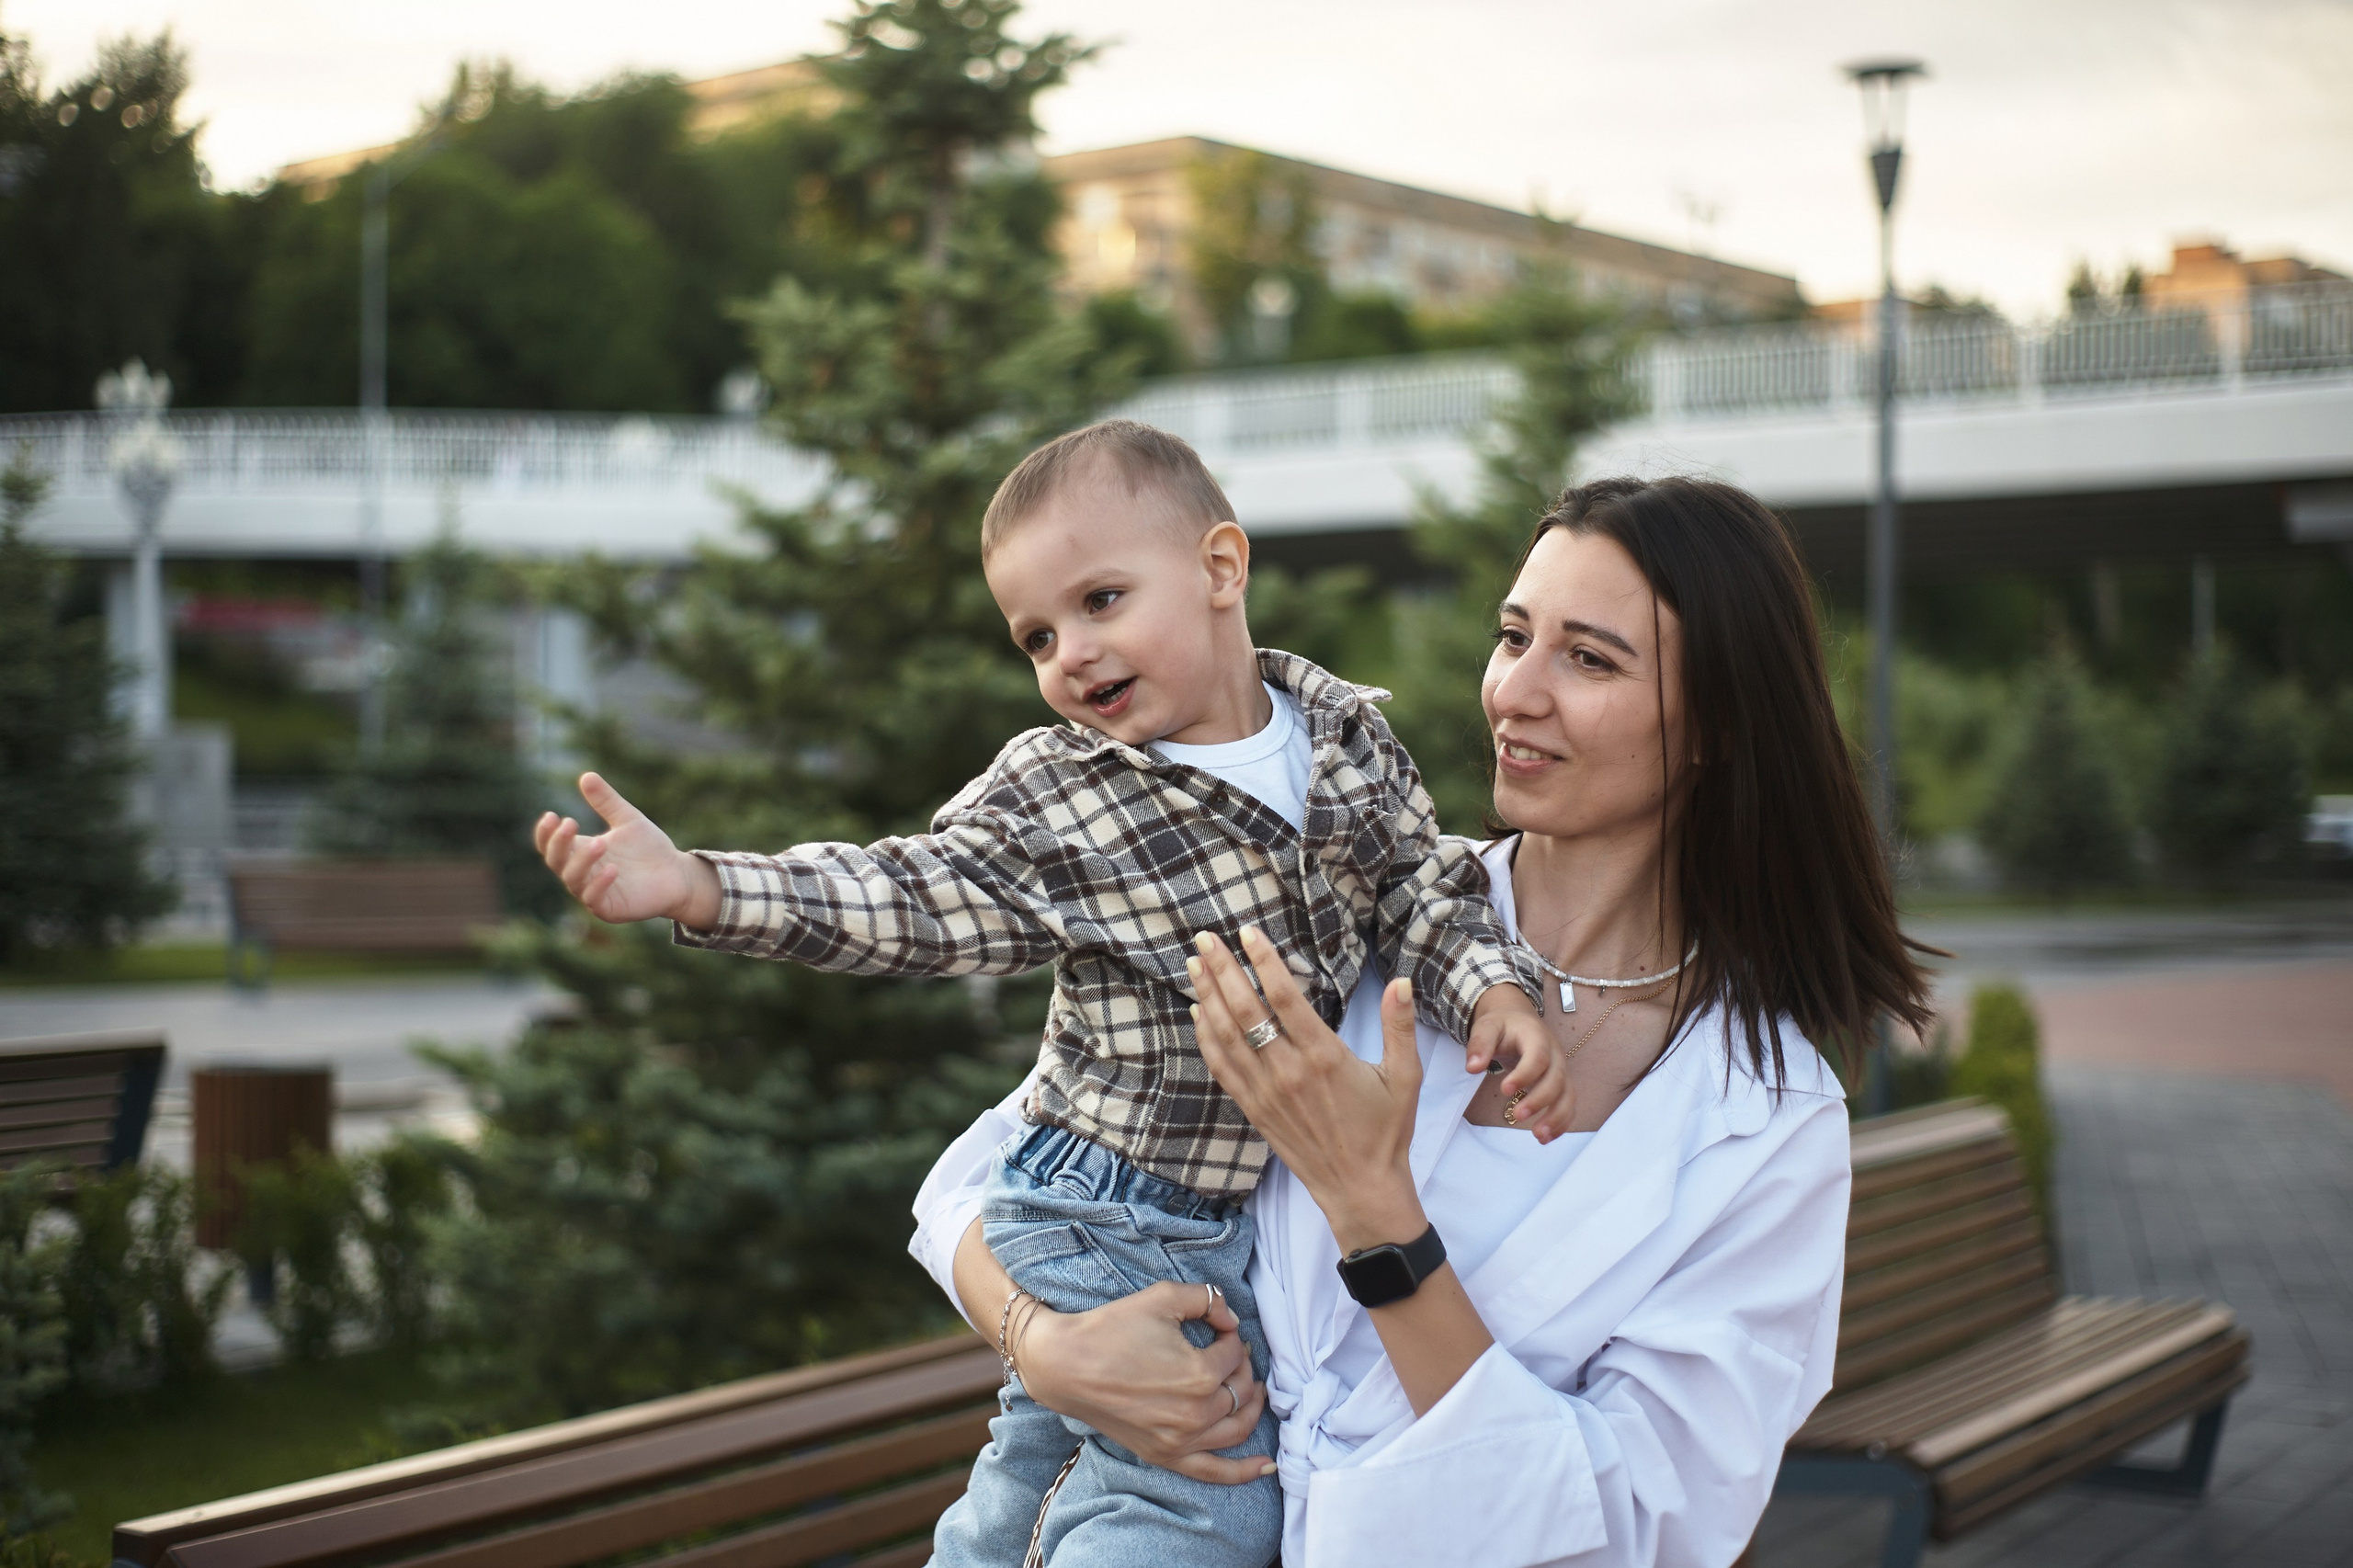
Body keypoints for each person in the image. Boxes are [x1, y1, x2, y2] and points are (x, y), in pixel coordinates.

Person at [532, 419, 1561, 1568]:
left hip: (1225, 1221)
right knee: (1200, 1505)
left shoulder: (1349, 739)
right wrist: (705, 886)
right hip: (1100, 1205)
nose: (1069, 651)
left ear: (1222, 567)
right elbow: (910, 895)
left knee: (1040, 1468)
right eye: (1035, 633)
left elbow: (1426, 892)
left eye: (1101, 599)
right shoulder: (1060, 796)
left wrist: (1495, 996)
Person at [912, 474, 1936, 1567]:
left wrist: (1375, 1213)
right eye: (1513, 635)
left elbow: (1646, 1524)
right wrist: (1049, 1348)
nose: (1515, 693)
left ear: (1719, 723)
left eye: (1589, 658)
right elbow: (988, 1172)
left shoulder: (1764, 1117)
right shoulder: (1344, 899)